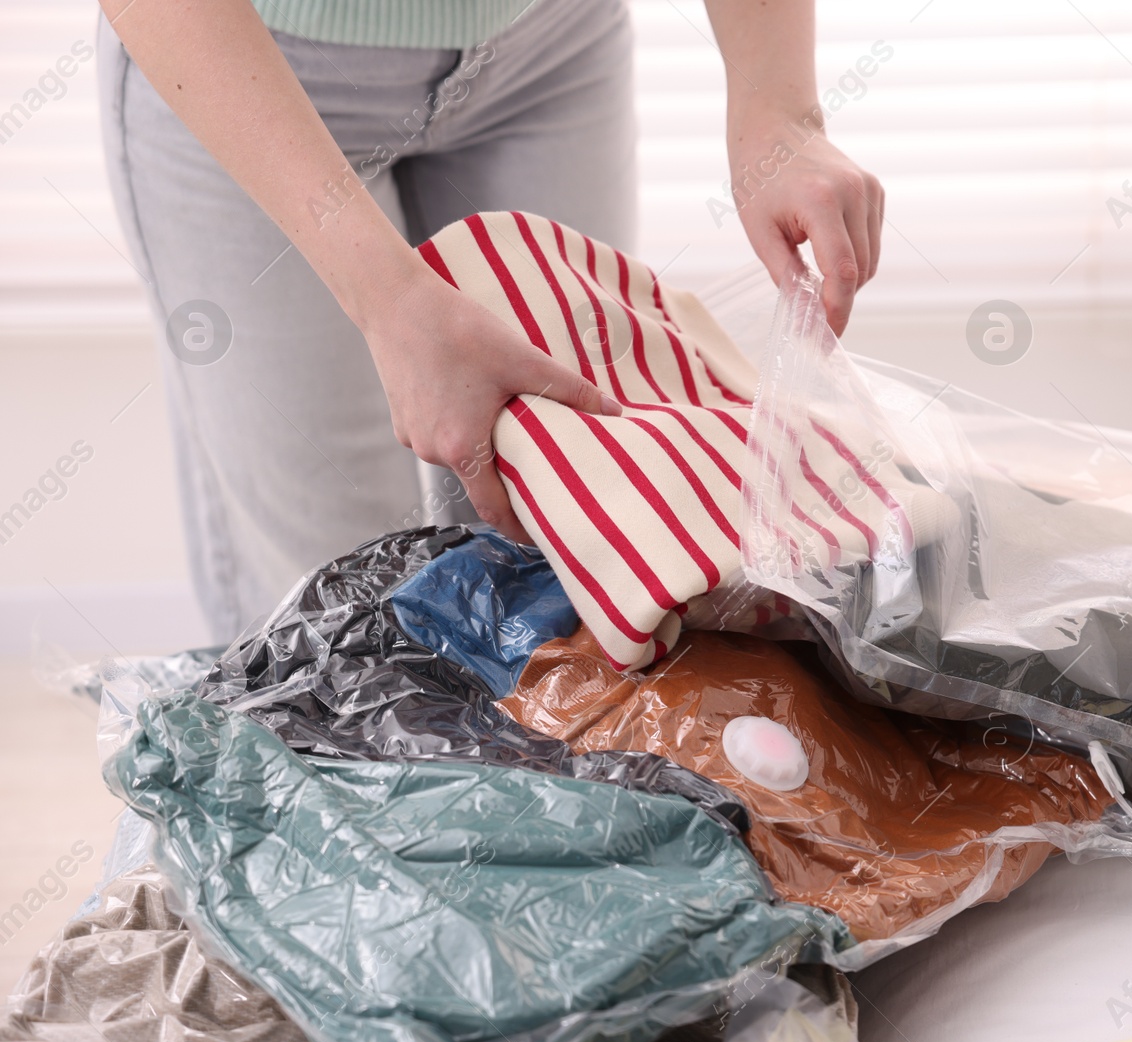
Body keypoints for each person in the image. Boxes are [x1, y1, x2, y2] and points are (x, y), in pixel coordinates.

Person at [97, 0, 883, 642]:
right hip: (252, 62)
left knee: (570, 562)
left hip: (546, 46)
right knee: (334, 612)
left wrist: (780, 110)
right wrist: (389, 299)